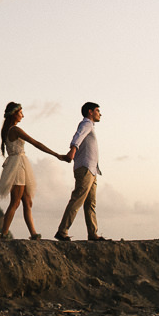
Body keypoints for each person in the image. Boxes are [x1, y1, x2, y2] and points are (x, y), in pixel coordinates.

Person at [0, 102, 69, 241]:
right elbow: (36, 143)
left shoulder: (8, 129)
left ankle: (34, 234)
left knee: (27, 201)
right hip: (17, 166)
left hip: (19, 165)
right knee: (15, 201)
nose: (23, 115)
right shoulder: (15, 130)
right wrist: (57, 155)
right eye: (21, 112)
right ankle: (4, 234)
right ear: (14, 114)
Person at [55, 102, 107, 241]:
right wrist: (72, 151)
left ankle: (92, 233)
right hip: (85, 168)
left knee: (90, 203)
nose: (100, 113)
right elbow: (78, 136)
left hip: (92, 169)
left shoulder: (90, 126)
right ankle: (62, 231)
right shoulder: (86, 123)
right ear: (90, 112)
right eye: (97, 110)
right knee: (78, 199)